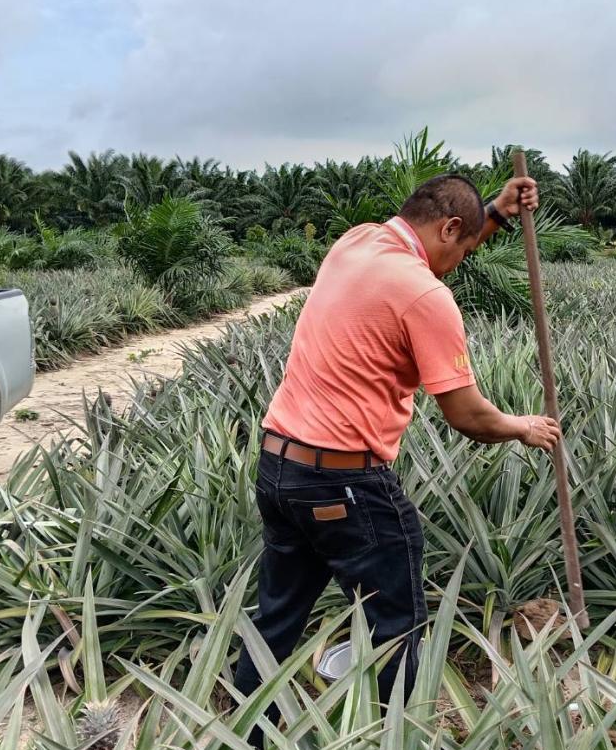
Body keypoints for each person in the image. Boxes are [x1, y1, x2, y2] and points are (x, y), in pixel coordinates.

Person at [234, 173, 561, 713]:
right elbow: (467, 415)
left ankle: (245, 741)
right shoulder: (427, 295)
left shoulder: (356, 241)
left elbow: (448, 240)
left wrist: (497, 210)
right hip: (344, 482)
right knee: (396, 622)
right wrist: (522, 427)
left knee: (277, 614)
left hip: (278, 467)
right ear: (450, 228)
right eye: (461, 246)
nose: (457, 262)